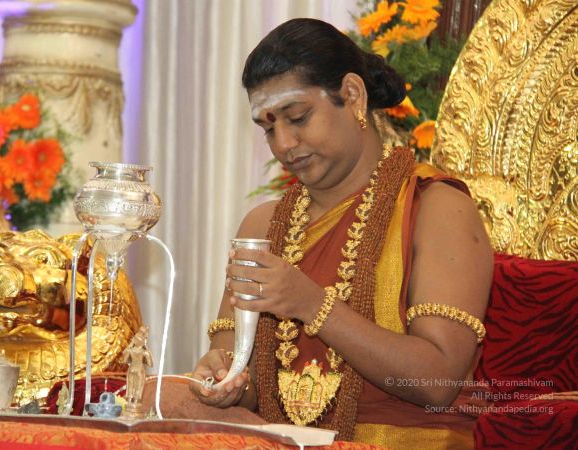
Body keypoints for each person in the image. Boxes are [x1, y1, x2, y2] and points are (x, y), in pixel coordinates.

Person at [190, 18, 493, 447]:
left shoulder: (436, 207)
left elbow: (437, 381)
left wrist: (311, 303)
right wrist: (224, 381)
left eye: (298, 117)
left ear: (352, 95)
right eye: (269, 128)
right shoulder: (263, 226)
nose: (283, 144)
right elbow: (242, 376)